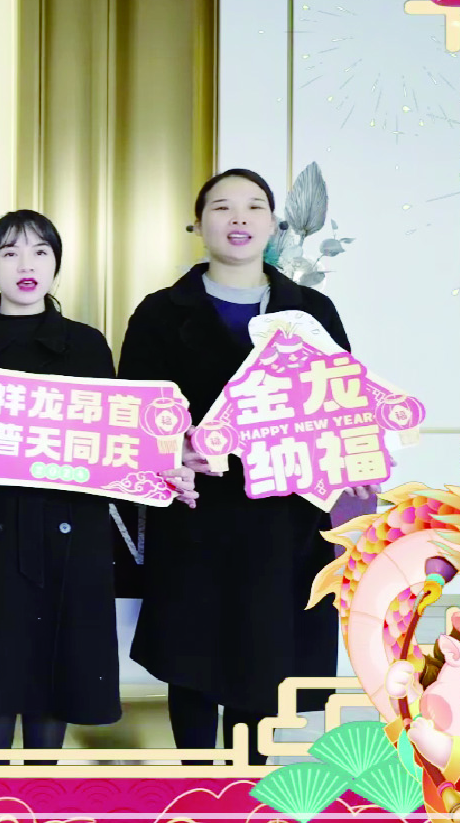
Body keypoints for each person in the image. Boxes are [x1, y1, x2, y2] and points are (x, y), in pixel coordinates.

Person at [0, 211, 196, 764]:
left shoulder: (87, 345)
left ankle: (44, 783)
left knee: (57, 662)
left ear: (56, 264)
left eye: (40, 252)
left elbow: (120, 438)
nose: (26, 264)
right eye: (10, 252)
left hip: (71, 527)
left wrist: (169, 467)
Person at [118, 168, 354, 765]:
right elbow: (132, 416)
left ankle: (246, 786)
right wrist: (171, 452)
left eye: (254, 207)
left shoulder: (312, 311)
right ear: (199, 224)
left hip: (283, 518)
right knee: (192, 655)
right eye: (222, 207)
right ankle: (194, 783)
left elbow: (343, 408)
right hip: (195, 513)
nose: (239, 218)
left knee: (265, 656)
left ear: (273, 224)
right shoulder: (158, 313)